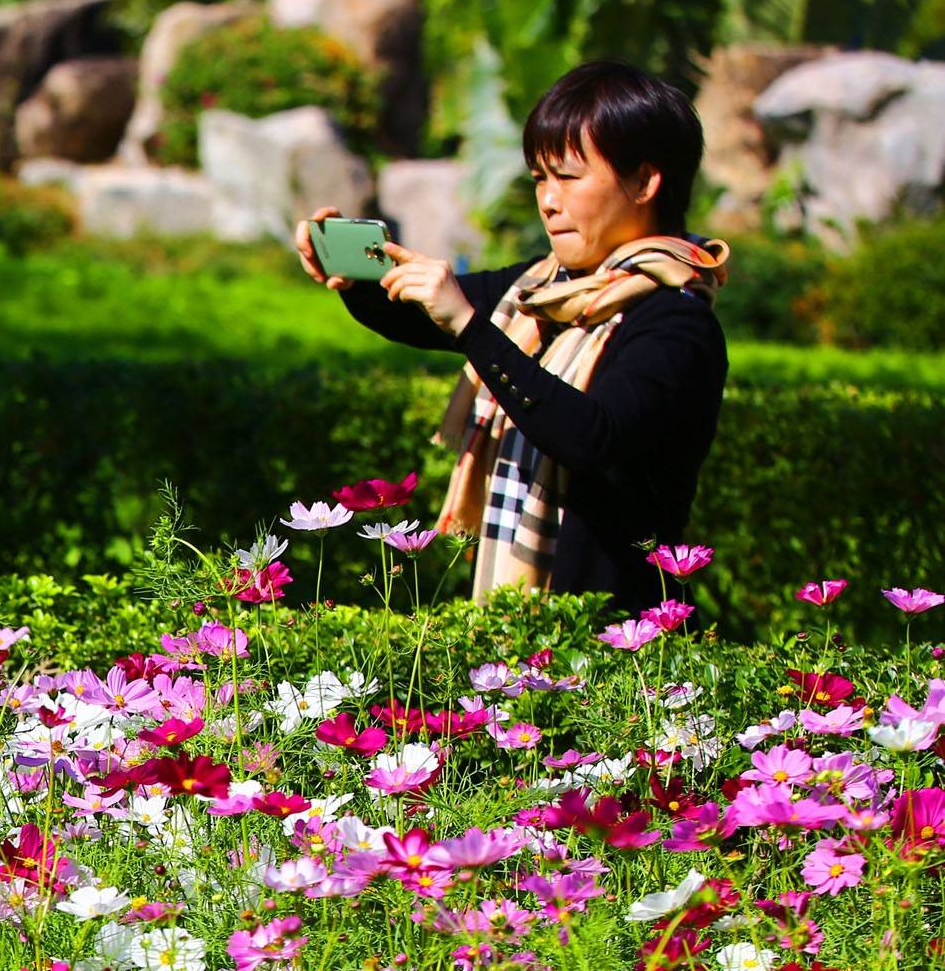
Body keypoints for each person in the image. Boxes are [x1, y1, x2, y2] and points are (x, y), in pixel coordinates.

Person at [294, 60, 730, 616]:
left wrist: (473, 327)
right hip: (522, 630)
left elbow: (589, 438)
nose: (548, 200)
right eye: (539, 179)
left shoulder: (676, 323)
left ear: (645, 181)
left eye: (568, 177)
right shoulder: (543, 291)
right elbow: (412, 313)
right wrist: (353, 277)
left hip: (615, 639)